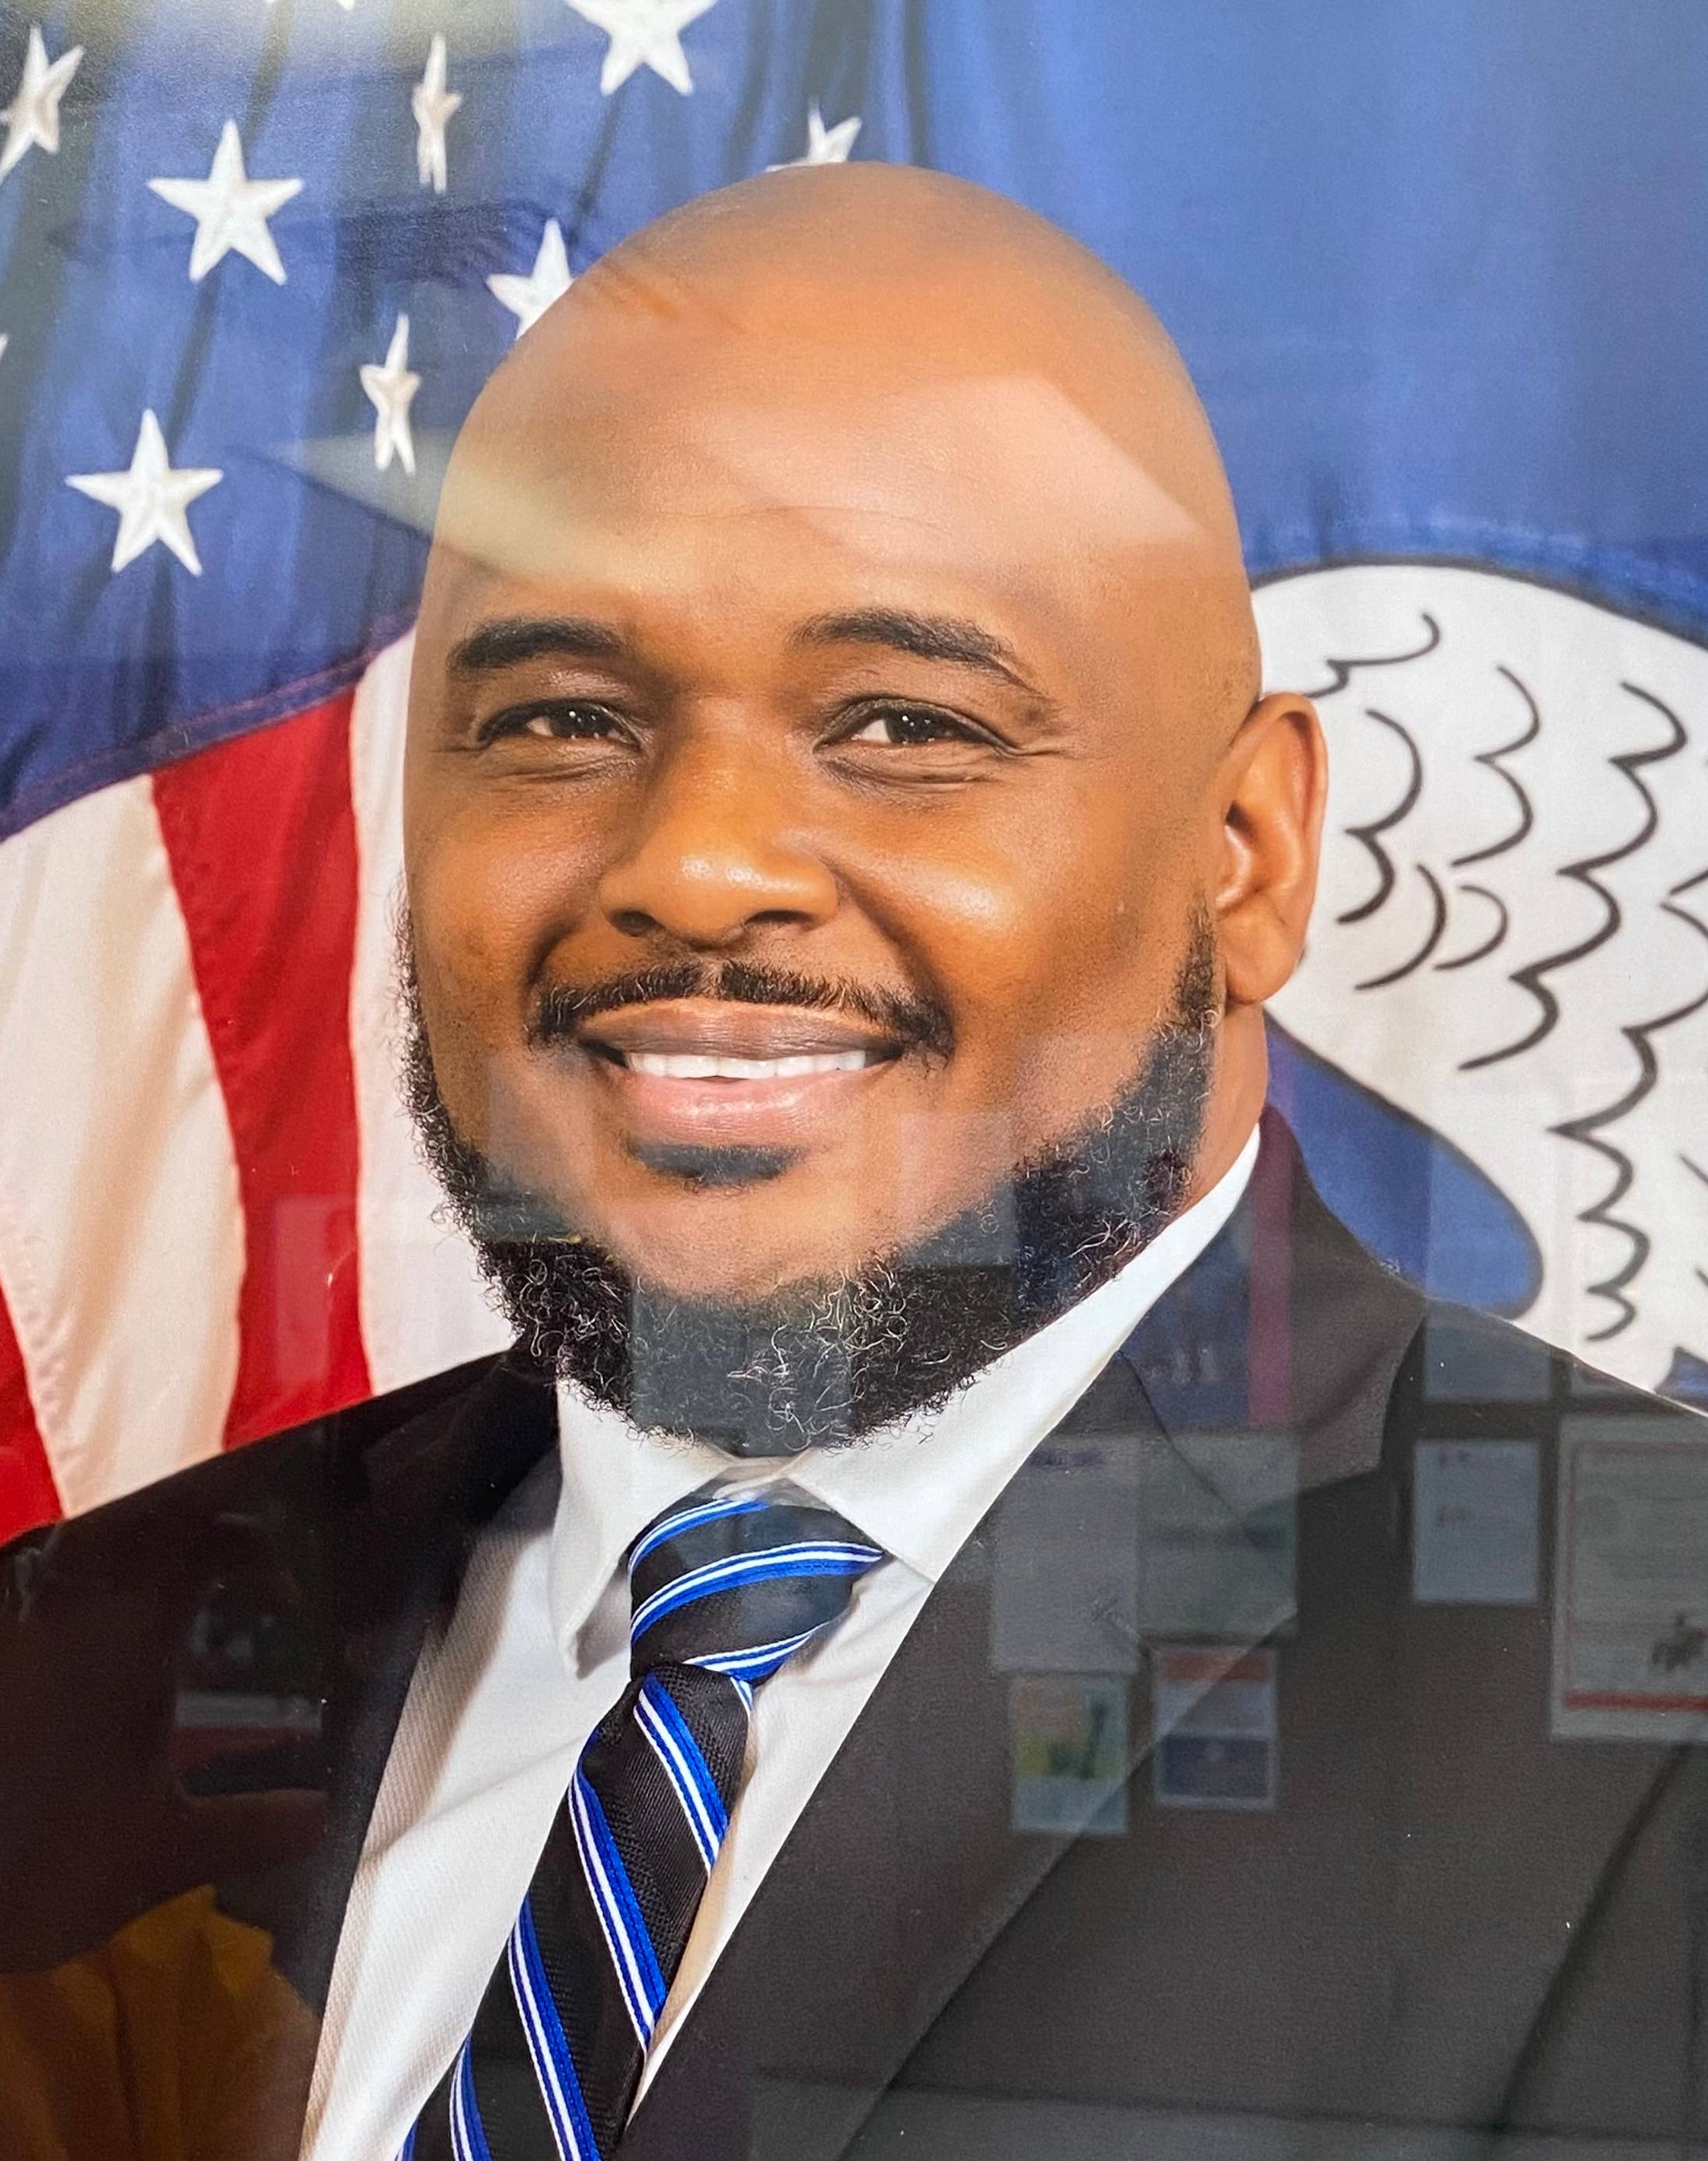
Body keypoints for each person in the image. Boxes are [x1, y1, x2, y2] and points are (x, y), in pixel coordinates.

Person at [2, 164, 1703, 2161]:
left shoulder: (1650, 1694)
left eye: (906, 720)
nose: (693, 862)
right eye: (557, 716)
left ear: (1244, 855)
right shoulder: (69, 1667)